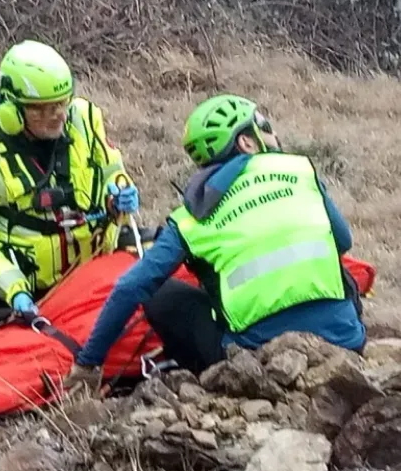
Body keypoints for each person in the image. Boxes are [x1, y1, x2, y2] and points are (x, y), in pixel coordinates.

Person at [65, 93, 366, 389]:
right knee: (340, 271)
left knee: (161, 295)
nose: (272, 133)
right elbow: (342, 240)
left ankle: (204, 379)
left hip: (251, 360)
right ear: (245, 142)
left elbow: (131, 287)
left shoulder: (191, 216)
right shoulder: (301, 170)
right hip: (344, 342)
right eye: (263, 126)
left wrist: (89, 361)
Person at [0, 39, 140, 331]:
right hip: (25, 293)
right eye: (43, 109)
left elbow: (112, 169)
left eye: (62, 103)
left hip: (92, 274)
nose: (58, 115)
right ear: (11, 110)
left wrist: (119, 191)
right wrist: (14, 288)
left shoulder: (84, 120)